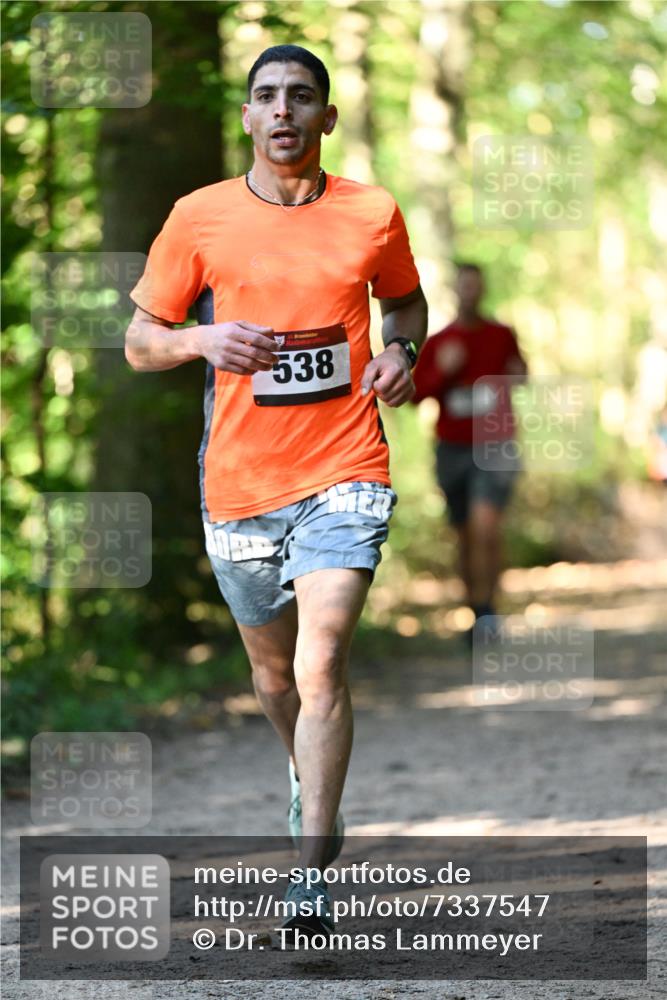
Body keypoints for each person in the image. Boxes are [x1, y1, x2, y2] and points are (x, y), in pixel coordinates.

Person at [125, 44, 427, 938]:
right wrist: (200, 344)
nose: (284, 110)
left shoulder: (371, 212)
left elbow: (405, 304)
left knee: (321, 657)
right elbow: (142, 339)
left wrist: (399, 352)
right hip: (240, 483)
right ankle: (305, 775)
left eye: (301, 96)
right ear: (248, 118)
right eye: (266, 97)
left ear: (326, 118)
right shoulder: (200, 217)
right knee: (272, 674)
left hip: (345, 469)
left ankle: (311, 870)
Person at [412, 263, 527, 641]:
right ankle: (476, 610)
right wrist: (443, 371)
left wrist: (516, 372)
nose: (471, 293)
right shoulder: (440, 341)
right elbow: (414, 396)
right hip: (453, 448)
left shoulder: (501, 334)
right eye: (465, 286)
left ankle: (489, 611)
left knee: (486, 527)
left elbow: (521, 374)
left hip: (496, 445)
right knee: (464, 533)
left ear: (483, 290)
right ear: (456, 291)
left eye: (477, 286)